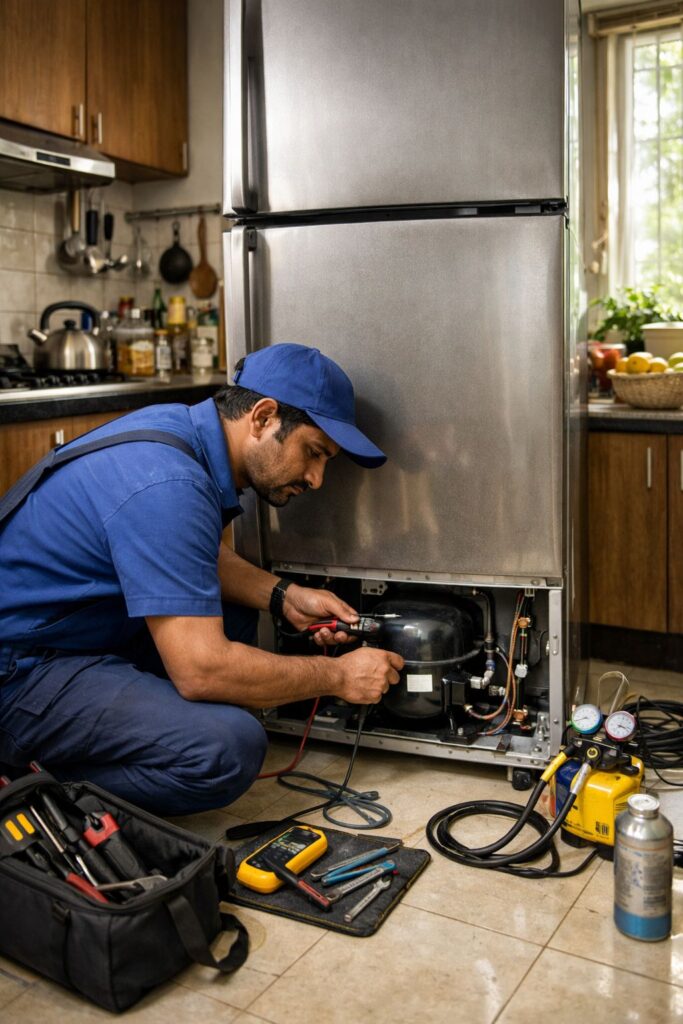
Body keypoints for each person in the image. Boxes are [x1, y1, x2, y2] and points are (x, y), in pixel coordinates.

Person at [0, 343, 403, 815]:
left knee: (232, 616)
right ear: (263, 417)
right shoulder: (170, 484)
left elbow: (185, 555)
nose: (316, 478)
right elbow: (201, 671)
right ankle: (25, 790)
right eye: (313, 453)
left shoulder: (181, 429)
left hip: (68, 636)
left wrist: (283, 597)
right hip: (20, 675)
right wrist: (337, 676)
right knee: (227, 749)